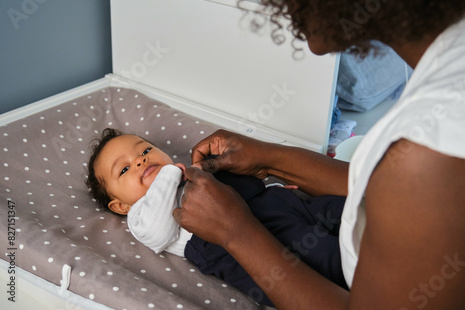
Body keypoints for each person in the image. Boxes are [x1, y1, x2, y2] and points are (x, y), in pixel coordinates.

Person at [173, 0, 465, 309]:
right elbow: (387, 190)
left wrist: (235, 233)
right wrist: (268, 158)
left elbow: (414, 189)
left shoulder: (435, 153)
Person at [85, 128, 348, 306]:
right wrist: (168, 174)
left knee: (342, 209)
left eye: (144, 151)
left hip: (280, 204)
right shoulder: (140, 215)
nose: (140, 161)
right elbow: (159, 232)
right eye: (125, 169)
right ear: (120, 206)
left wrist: (274, 187)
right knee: (327, 256)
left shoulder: (189, 171)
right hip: (257, 248)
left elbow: (243, 185)